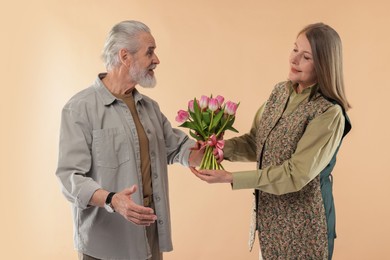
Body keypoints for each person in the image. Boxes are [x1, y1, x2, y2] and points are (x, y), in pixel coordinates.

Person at [191, 22, 352, 260]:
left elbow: (295, 174)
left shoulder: (327, 113)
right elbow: (258, 141)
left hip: (304, 228)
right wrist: (223, 150)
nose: (294, 59)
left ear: (323, 66)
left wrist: (231, 178)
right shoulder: (280, 92)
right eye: (294, 49)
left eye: (305, 56)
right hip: (269, 223)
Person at [56, 20, 202, 260]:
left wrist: (209, 147)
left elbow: (179, 149)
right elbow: (69, 178)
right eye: (150, 52)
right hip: (105, 246)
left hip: (149, 238)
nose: (156, 60)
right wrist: (113, 200)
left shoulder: (150, 108)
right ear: (125, 56)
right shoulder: (79, 109)